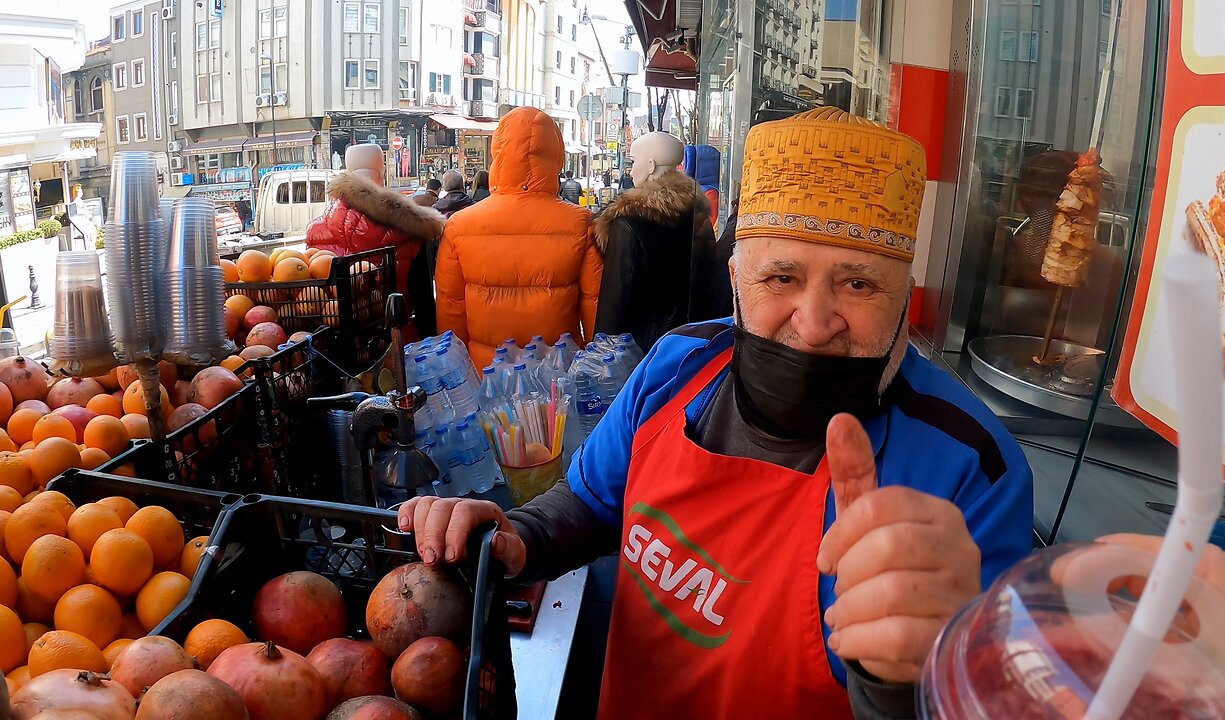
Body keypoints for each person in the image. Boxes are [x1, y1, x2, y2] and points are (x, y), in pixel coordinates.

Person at [399, 108, 1033, 719]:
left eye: (859, 284)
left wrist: (910, 681)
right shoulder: (679, 364)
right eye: (780, 278)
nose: (812, 326)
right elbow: (592, 502)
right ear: (735, 280)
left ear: (906, 298)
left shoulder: (971, 468)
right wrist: (519, 537)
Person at [435, 107, 603, 368]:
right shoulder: (581, 224)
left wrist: (456, 370)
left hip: (486, 373)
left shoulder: (460, 225)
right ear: (555, 155)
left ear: (498, 152)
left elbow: (451, 306)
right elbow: (594, 305)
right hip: (558, 373)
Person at [593, 131, 719, 351]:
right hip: (691, 344)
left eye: (633, 161)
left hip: (641, 352)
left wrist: (599, 358)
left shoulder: (629, 223)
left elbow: (613, 308)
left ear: (650, 165)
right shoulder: (698, 217)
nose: (631, 170)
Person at [306, 143, 444, 339]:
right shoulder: (412, 231)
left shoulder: (316, 231)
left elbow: (311, 299)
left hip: (340, 346)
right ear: (382, 173)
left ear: (347, 172)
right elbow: (424, 303)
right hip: (398, 342)